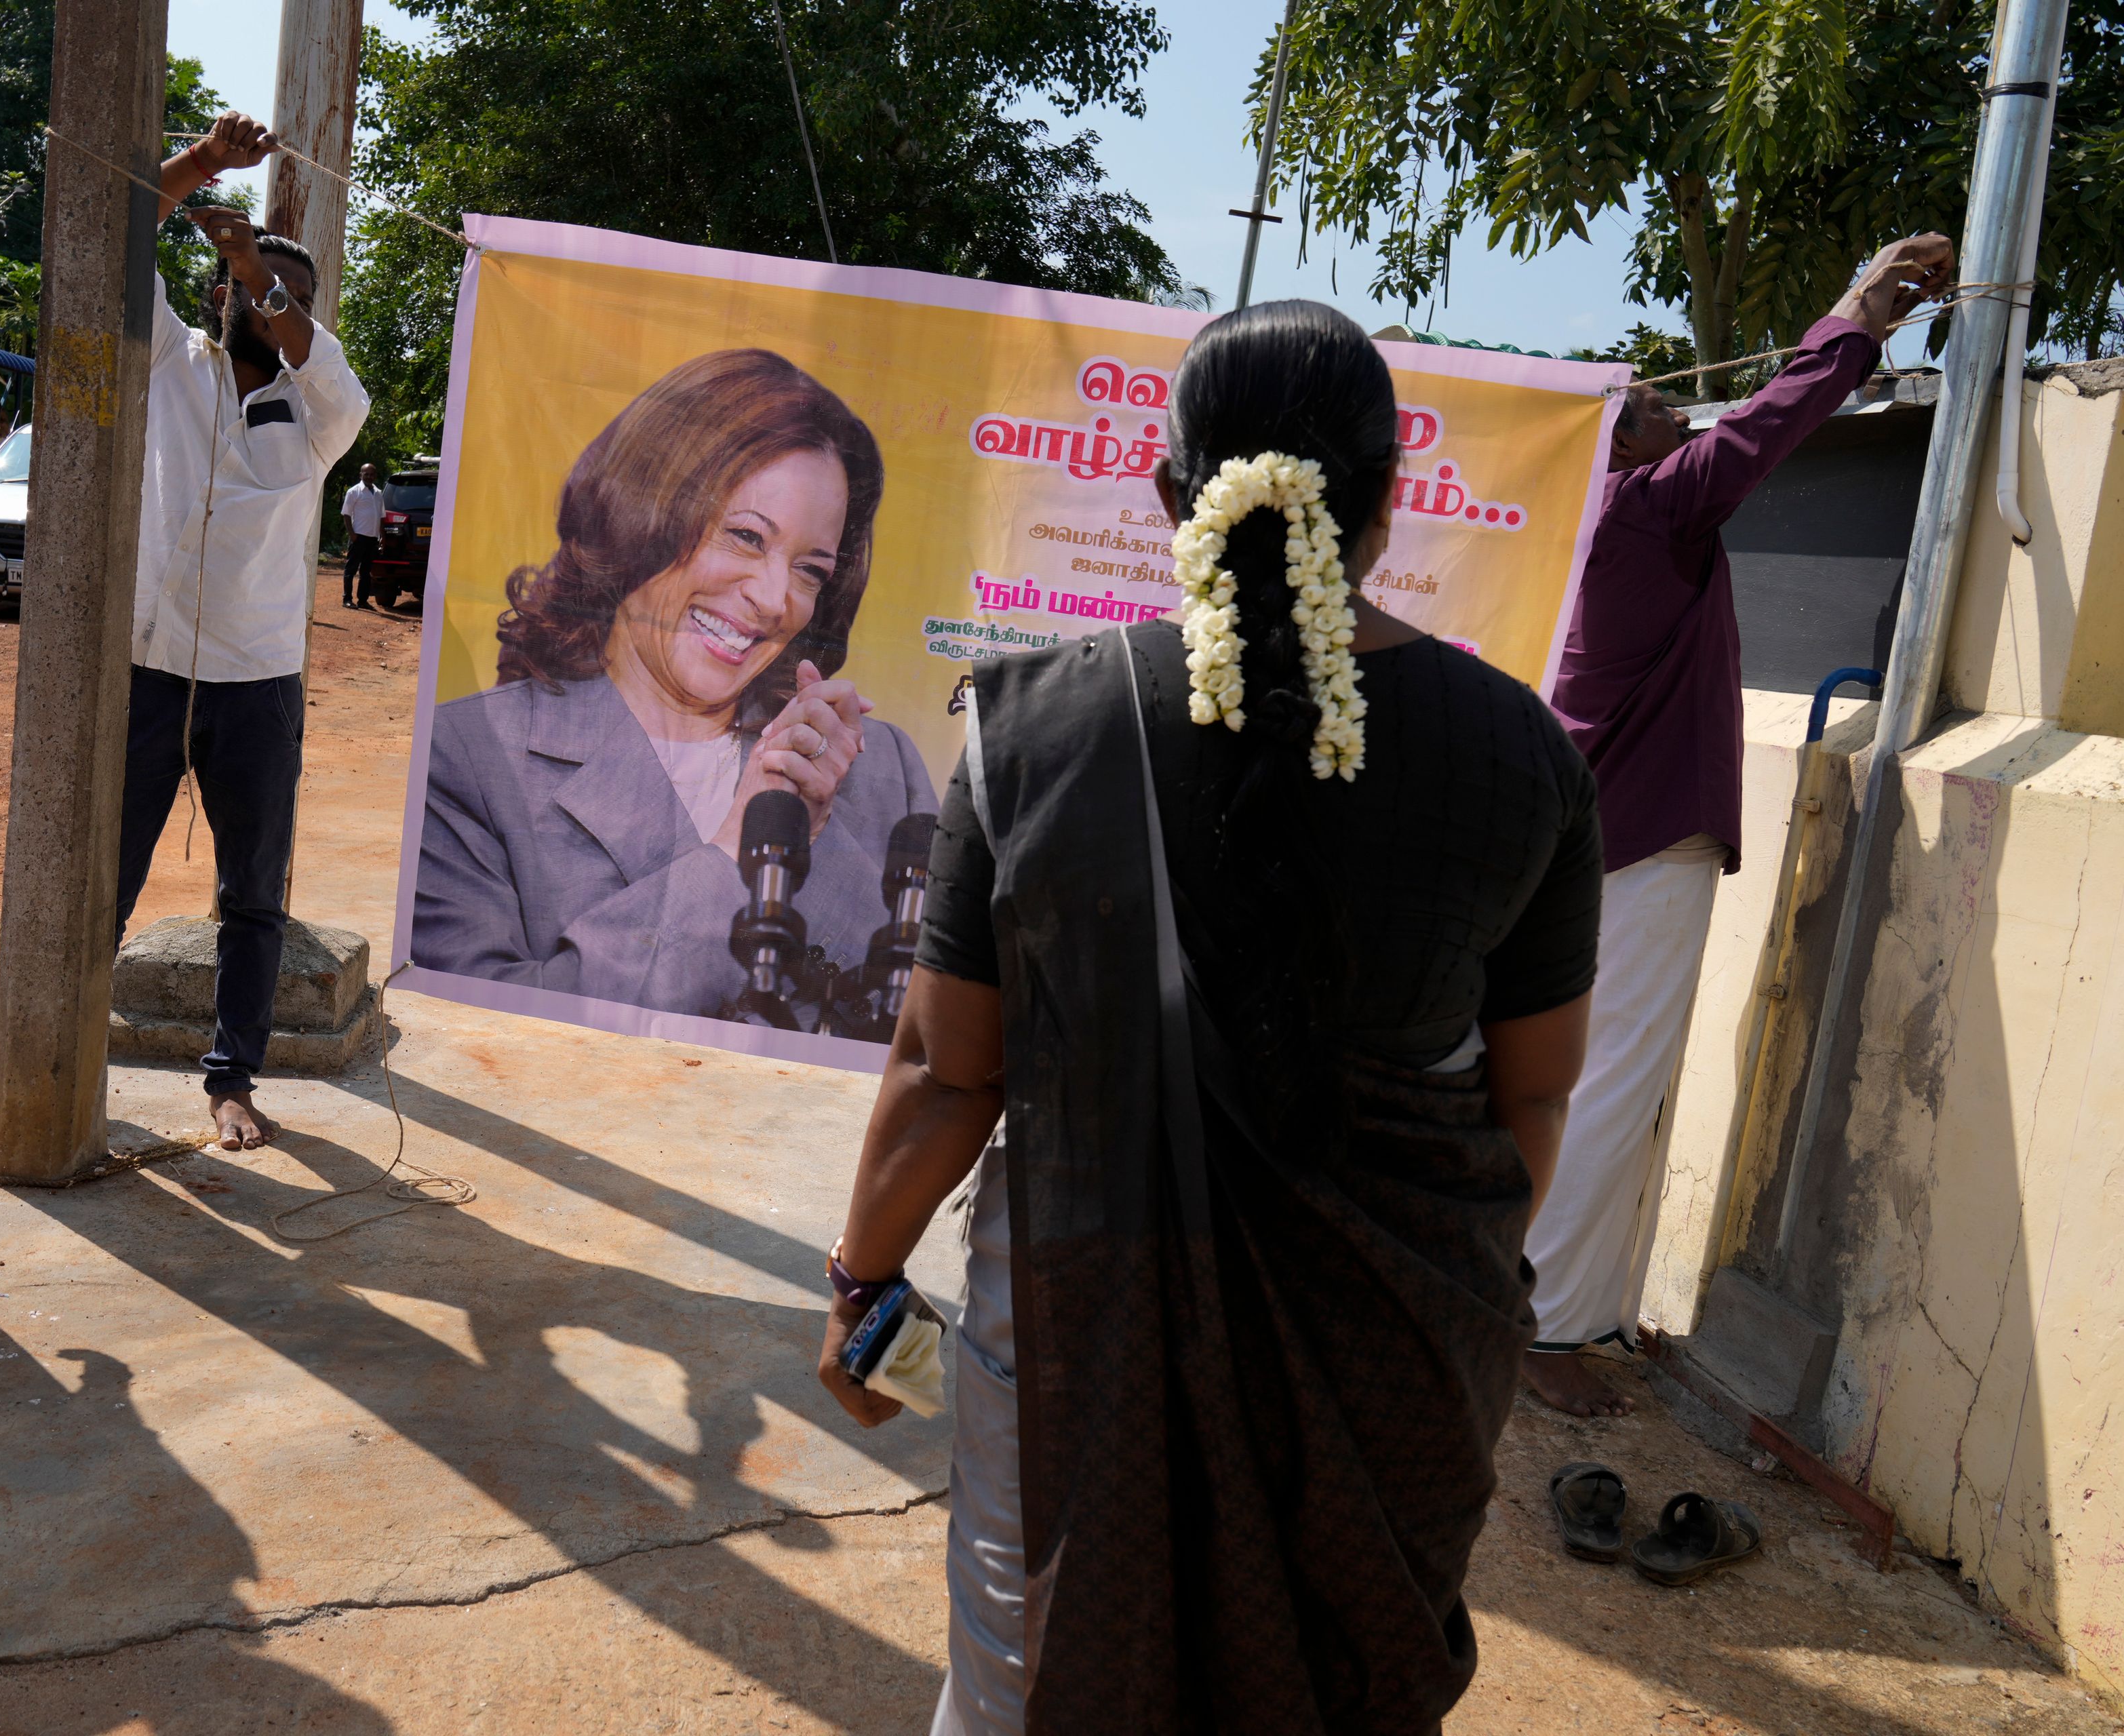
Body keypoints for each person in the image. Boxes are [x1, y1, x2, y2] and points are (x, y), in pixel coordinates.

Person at [817, 300, 1604, 1733]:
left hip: (1081, 1327)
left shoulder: (1033, 727)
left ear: (1173, 495)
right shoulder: (1524, 757)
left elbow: (946, 1070)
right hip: (1402, 1356)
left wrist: (864, 1281)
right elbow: (1534, 1094)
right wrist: (1424, 1279)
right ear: (1391, 504)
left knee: (1035, 1682)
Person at [1524, 231, 1956, 1418]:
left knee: (1607, 1082)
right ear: (1621, 444)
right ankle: (1547, 1326)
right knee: (1614, 1085)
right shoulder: (1648, 511)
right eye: (1656, 406)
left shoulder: (1602, 522)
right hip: (1643, 838)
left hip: (1592, 833)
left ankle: (1580, 1309)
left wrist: (1846, 307)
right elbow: (1767, 428)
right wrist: (1859, 315)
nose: (1677, 410)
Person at [415, 347, 937, 1021]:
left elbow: (929, 1025)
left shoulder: (882, 765)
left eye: (811, 570)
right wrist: (732, 862)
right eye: (746, 536)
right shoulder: (466, 757)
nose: (776, 597)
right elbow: (481, 1035)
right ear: (640, 512)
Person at [114, 113, 370, 1151]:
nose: (264, 306)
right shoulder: (170, 365)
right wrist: (202, 168)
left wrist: (257, 267)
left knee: (250, 895)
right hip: (149, 667)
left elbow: (314, 354)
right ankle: (68, 1043)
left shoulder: (324, 413)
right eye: (248, 289)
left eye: (285, 296)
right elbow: (115, 226)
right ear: (217, 296)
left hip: (255, 682)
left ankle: (232, 1080)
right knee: (107, 873)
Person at [342, 460, 385, 608]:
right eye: (366, 474)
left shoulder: (379, 494)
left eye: (372, 474)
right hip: (358, 536)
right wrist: (352, 535)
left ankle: (363, 600)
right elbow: (346, 514)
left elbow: (381, 517)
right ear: (361, 475)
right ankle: (347, 599)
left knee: (366, 572)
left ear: (375, 476)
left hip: (372, 538)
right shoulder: (354, 492)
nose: (369, 477)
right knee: (351, 569)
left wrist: (382, 537)